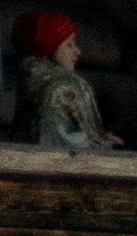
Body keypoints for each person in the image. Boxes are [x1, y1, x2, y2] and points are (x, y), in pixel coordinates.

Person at [16, 8, 120, 152]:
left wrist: (98, 136)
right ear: (49, 47)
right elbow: (70, 143)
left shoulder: (33, 82)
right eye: (69, 44)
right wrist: (107, 146)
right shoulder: (61, 89)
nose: (77, 51)